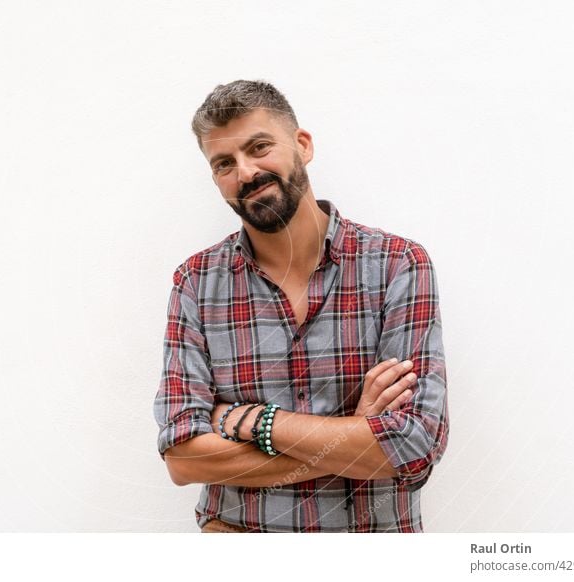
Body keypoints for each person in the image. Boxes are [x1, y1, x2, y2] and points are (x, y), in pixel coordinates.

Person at [153, 80, 449, 533]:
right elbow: (183, 458)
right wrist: (354, 433)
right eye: (225, 163)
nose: (247, 172)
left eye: (259, 147)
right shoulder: (195, 283)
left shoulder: (397, 265)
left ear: (302, 145)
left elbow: (413, 445)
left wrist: (248, 421)